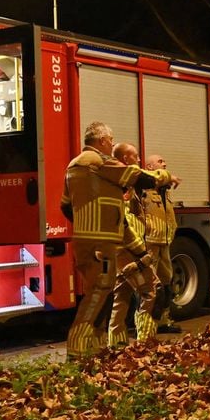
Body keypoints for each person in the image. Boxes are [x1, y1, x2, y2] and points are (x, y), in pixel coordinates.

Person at [60, 123, 170, 361]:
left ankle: (102, 353)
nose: (111, 144)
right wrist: (165, 176)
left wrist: (86, 225)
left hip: (97, 243)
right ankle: (78, 353)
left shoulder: (73, 166)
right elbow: (139, 177)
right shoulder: (99, 162)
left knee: (107, 296)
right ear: (101, 140)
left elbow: (66, 206)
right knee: (100, 296)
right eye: (110, 140)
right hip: (103, 245)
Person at [107, 142, 161, 348]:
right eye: (136, 157)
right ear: (126, 159)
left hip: (120, 252)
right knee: (151, 292)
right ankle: (145, 344)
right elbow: (125, 224)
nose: (139, 160)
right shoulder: (122, 185)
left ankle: (117, 345)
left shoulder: (119, 183)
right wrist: (141, 254)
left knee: (121, 297)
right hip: (129, 251)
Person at [141, 153, 183, 334]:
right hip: (150, 244)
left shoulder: (164, 191)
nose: (164, 164)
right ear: (150, 167)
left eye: (165, 161)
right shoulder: (143, 186)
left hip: (164, 243)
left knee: (167, 283)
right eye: (160, 162)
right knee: (150, 286)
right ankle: (146, 326)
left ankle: (164, 321)